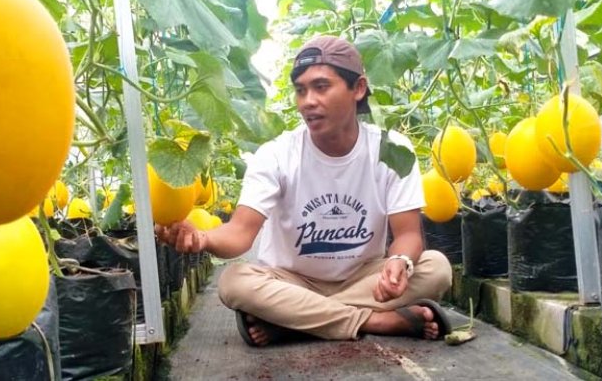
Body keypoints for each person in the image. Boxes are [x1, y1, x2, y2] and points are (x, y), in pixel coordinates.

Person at [155, 35, 453, 347]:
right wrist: (203, 238)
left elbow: (408, 235)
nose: (307, 100)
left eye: (321, 87)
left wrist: (401, 262)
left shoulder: (391, 150)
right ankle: (374, 320)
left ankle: (294, 323)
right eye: (301, 90)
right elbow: (240, 233)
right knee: (234, 283)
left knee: (436, 268)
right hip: (292, 282)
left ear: (359, 88)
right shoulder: (277, 154)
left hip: (363, 278)